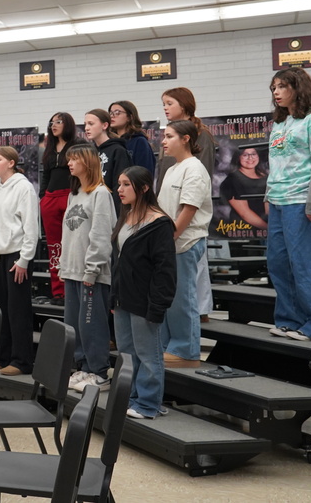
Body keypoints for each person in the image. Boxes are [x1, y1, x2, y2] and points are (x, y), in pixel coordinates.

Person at [266, 68, 311, 342]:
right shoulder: (280, 122)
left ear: (298, 88)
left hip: (303, 201)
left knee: (309, 264)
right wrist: (267, 197)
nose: (276, 92)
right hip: (279, 201)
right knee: (279, 263)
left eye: (282, 86)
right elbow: (275, 163)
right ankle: (289, 320)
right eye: (274, 88)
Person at [112, 166, 177, 419]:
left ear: (144, 188)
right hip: (122, 298)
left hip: (145, 299)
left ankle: (149, 404)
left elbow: (165, 270)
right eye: (119, 184)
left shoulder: (159, 223)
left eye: (126, 184)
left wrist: (158, 305)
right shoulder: (125, 215)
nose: (120, 189)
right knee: (127, 353)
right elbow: (117, 262)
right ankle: (131, 398)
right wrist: (113, 295)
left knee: (148, 354)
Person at [156, 86, 216, 323]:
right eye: (164, 103)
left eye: (170, 103)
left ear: (184, 104)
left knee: (194, 268)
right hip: (168, 206)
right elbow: (163, 172)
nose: (165, 108)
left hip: (188, 211)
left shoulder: (202, 134)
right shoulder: (168, 137)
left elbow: (203, 174)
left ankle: (200, 311)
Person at [61, 144, 116, 391]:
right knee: (75, 325)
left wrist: (92, 270)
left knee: (92, 324)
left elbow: (102, 235)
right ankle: (84, 368)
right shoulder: (74, 194)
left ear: (88, 162)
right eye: (69, 159)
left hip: (91, 273)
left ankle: (100, 372)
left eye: (75, 159)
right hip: (72, 271)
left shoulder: (101, 194)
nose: (70, 163)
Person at [157, 121, 212, 368]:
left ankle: (187, 352)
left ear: (186, 138)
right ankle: (171, 346)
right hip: (170, 243)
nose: (163, 141)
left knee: (183, 299)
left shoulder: (195, 168)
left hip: (185, 242)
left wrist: (171, 238)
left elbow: (189, 209)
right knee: (169, 298)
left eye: (169, 136)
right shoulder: (172, 169)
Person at [0, 146, 39, 376]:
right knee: (0, 308)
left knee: (18, 310)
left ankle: (22, 360)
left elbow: (31, 227)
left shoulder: (23, 187)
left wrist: (24, 259)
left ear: (11, 163)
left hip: (16, 256)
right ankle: (1, 356)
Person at [39, 112, 76, 303]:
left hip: (70, 196)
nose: (54, 125)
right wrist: (43, 198)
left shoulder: (77, 146)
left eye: (59, 122)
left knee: (71, 244)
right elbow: (45, 176)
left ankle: (71, 289)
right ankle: (58, 291)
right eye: (52, 122)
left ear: (68, 124)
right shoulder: (50, 148)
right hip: (50, 199)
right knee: (55, 246)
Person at [85, 108, 131, 203]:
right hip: (92, 202)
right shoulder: (90, 151)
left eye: (91, 124)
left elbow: (119, 184)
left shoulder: (118, 150)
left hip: (111, 204)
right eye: (85, 124)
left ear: (105, 125)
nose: (86, 128)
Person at [219, 147, 268, 230]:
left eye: (253, 154)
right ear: (238, 157)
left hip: (265, 229)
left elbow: (268, 207)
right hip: (244, 230)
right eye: (245, 155)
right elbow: (244, 213)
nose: (250, 158)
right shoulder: (231, 180)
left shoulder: (265, 176)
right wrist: (268, 228)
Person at [109, 101, 156, 176]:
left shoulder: (139, 141)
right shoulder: (109, 142)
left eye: (117, 112)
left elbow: (145, 172)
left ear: (129, 117)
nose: (112, 116)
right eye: (110, 113)